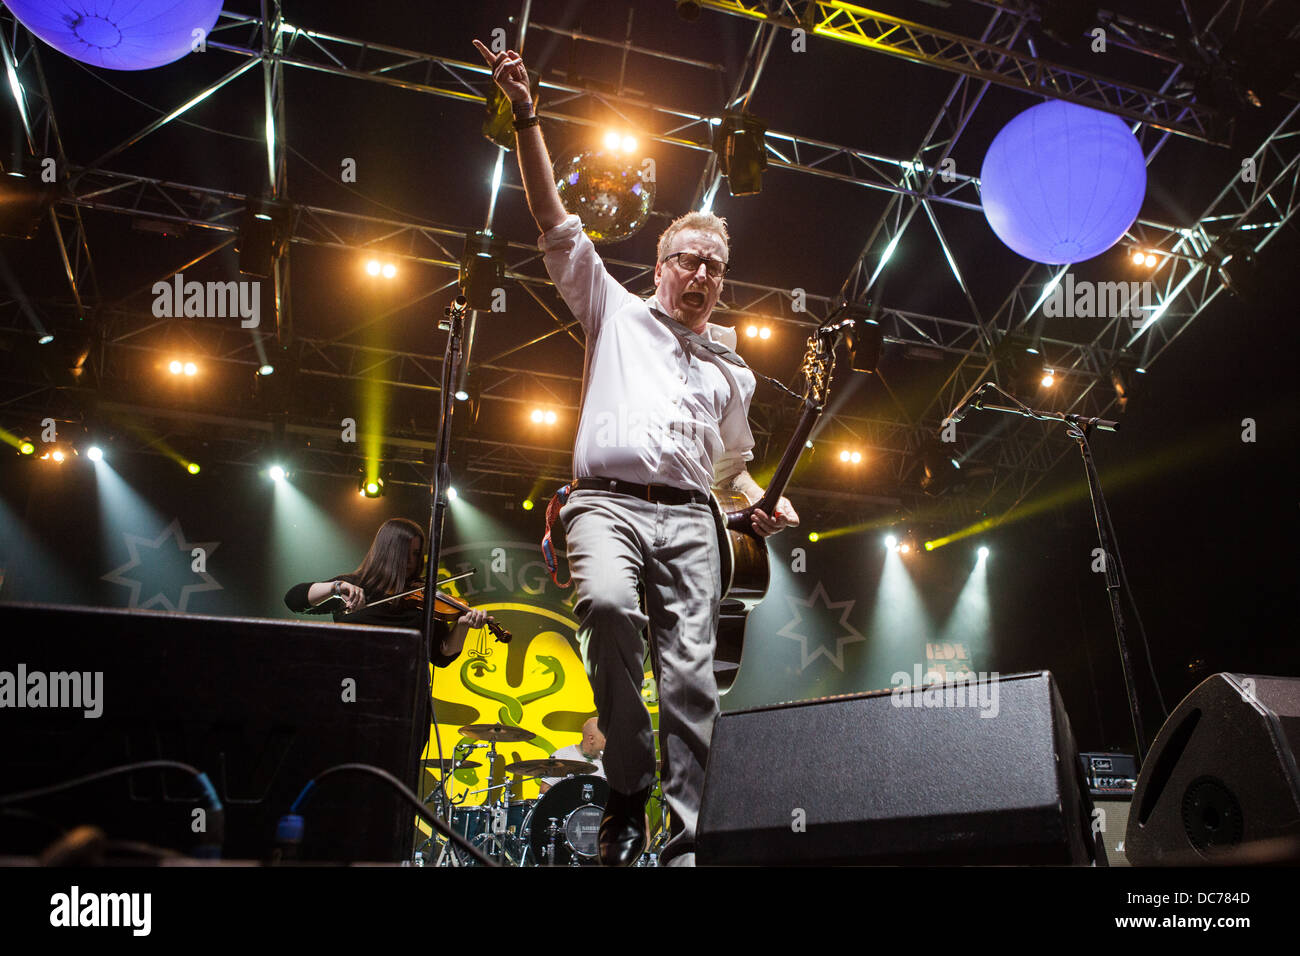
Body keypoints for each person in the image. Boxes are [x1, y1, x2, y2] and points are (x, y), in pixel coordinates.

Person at [473, 40, 799, 867]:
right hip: (605, 504)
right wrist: (528, 116)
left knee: (693, 685)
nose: (702, 275)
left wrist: (762, 497)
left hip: (695, 522)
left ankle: (685, 851)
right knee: (610, 611)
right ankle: (627, 780)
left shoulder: (733, 369)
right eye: (689, 260)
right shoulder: (613, 311)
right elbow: (553, 217)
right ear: (660, 267)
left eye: (716, 268)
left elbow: (731, 471)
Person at [283, 517, 489, 667]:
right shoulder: (352, 587)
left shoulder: (424, 597)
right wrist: (335, 587)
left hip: (405, 692)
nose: (411, 561)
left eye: (416, 554)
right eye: (405, 553)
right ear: (388, 551)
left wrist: (462, 628)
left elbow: (442, 656)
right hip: (352, 688)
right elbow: (294, 600)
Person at [538, 716, 606, 793]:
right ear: (591, 739)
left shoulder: (608, 761)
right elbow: (544, 790)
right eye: (605, 736)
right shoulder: (563, 755)